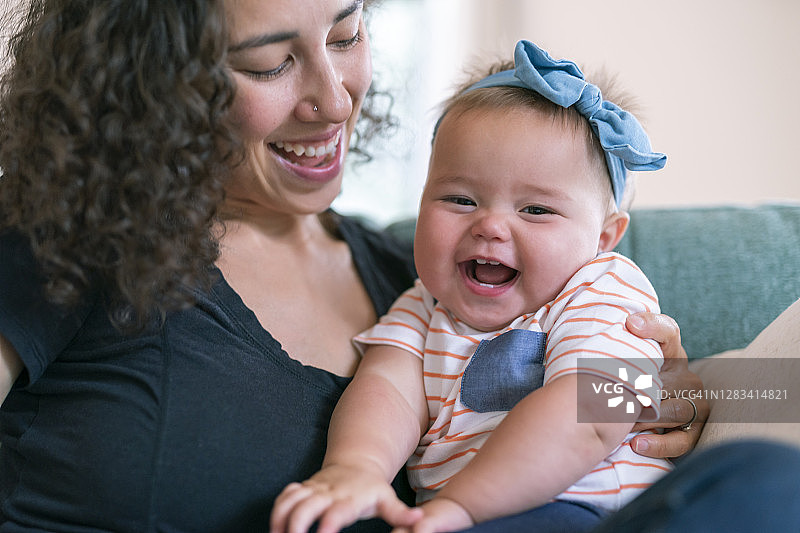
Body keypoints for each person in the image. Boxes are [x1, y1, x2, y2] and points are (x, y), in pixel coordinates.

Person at [0, 0, 740, 531]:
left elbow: (763, 389)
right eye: (270, 62)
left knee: (761, 480)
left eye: (347, 33)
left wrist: (696, 397)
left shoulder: (425, 277)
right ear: (150, 81)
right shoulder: (68, 234)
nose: (335, 98)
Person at [270, 40, 677, 533]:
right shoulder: (425, 304)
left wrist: (459, 505)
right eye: (460, 199)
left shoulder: (604, 289)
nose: (490, 226)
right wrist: (357, 468)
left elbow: (591, 415)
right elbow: (386, 390)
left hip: (587, 509)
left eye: (536, 210)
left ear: (604, 237)